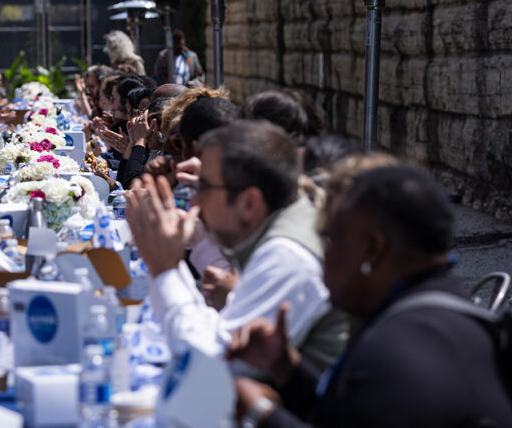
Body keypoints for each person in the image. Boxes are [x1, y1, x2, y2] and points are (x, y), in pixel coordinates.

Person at [228, 165, 512, 428]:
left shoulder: (401, 352)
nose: (324, 254)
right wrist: (287, 370)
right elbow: (353, 414)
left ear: (372, 248)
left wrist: (261, 414)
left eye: (330, 238)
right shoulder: (436, 313)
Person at [125, 120, 348, 372]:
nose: (194, 199)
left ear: (249, 203)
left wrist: (165, 270)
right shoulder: (281, 220)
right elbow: (222, 335)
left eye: (205, 186)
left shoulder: (288, 256)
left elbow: (208, 370)